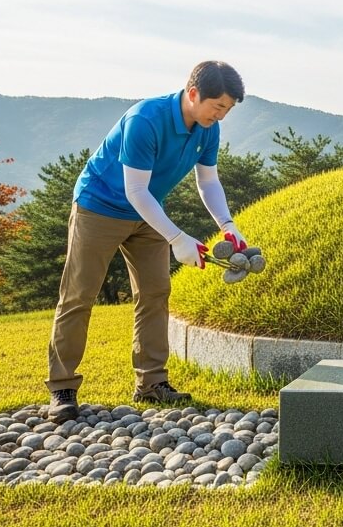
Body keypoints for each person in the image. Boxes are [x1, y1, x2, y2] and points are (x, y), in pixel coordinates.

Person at [45, 61, 253, 424]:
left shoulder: (207, 129)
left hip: (148, 211)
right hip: (101, 206)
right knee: (79, 295)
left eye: (227, 110)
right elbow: (134, 189)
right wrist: (177, 238)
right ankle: (62, 387)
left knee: (155, 292)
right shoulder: (145, 119)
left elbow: (207, 182)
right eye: (217, 106)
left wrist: (228, 225)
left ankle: (151, 382)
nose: (220, 116)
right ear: (192, 94)